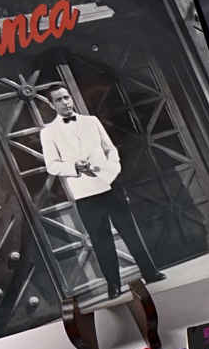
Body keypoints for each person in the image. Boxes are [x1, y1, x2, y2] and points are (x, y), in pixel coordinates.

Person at [38, 84, 163, 298]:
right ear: (51, 104)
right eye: (59, 100)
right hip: (85, 193)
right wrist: (74, 167)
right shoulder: (48, 132)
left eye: (67, 97)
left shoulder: (91, 121)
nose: (65, 102)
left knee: (130, 231)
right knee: (101, 240)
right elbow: (52, 165)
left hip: (110, 185)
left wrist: (112, 170)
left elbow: (110, 149)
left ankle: (150, 272)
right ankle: (113, 285)